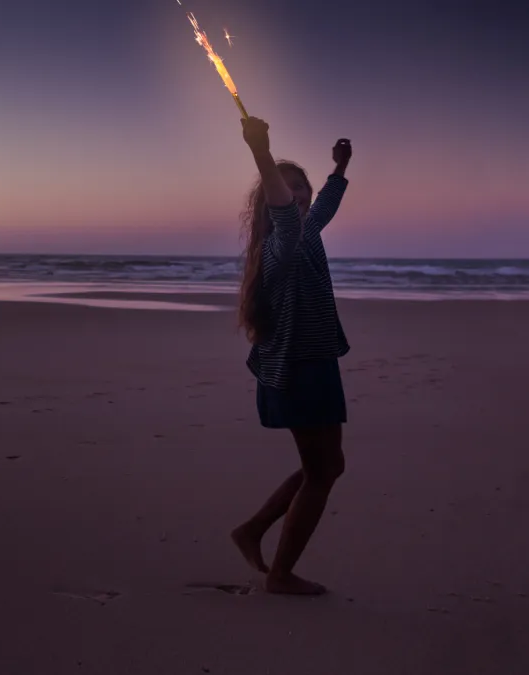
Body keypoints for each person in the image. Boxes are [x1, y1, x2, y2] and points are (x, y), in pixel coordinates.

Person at [228, 116, 353, 596]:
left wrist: (338, 171)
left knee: (326, 467)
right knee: (322, 473)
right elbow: (288, 212)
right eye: (288, 188)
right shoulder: (282, 243)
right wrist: (261, 152)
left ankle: (253, 531)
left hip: (316, 365)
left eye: (303, 187)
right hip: (300, 372)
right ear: (271, 199)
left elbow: (322, 207)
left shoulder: (307, 231)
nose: (299, 195)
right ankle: (279, 575)